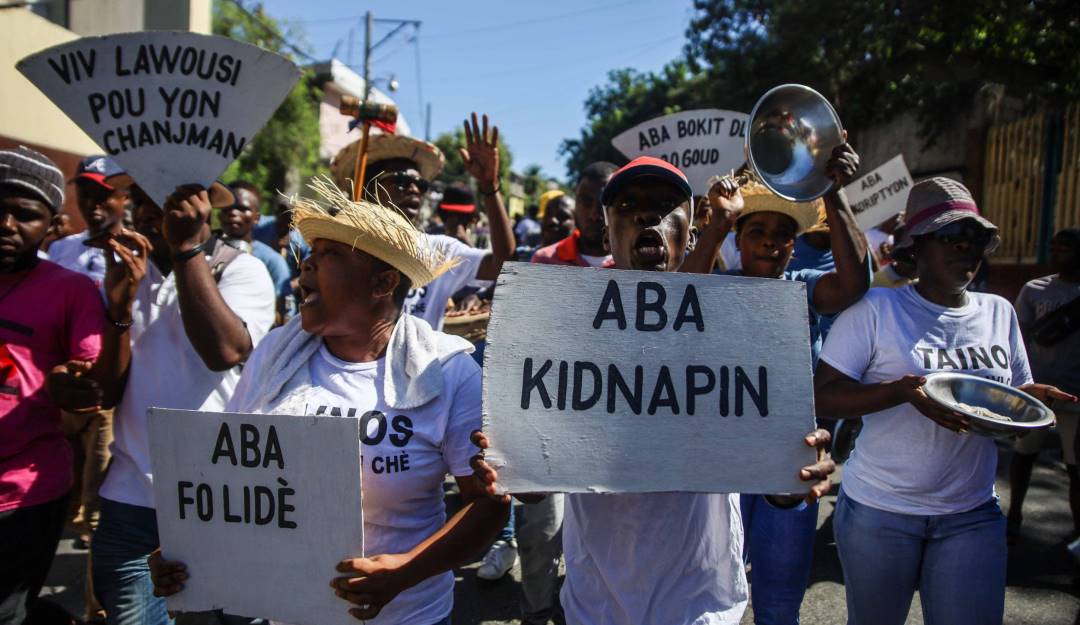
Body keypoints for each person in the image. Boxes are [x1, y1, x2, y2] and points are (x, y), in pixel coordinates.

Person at [473, 156, 836, 625]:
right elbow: (537, 487)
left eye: (666, 207)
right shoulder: (562, 326)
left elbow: (773, 478)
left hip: (701, 602)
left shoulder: (737, 324)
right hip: (596, 601)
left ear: (691, 235)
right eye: (629, 207)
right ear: (608, 235)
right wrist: (510, 463)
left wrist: (792, 473)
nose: (648, 216)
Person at [148, 177, 510, 624]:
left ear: (382, 282)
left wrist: (405, 571)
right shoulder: (274, 356)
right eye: (310, 254)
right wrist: (188, 547)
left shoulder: (448, 372)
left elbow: (487, 504)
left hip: (407, 615)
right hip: (288, 611)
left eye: (330, 255)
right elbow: (234, 481)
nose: (306, 265)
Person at [813, 177, 1076, 625]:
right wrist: (898, 392)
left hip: (971, 513)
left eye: (974, 236)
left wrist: (1033, 400)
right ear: (916, 246)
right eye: (950, 235)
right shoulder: (876, 309)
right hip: (880, 512)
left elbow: (1008, 395)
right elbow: (824, 396)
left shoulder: (998, 312)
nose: (965, 247)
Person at [48, 175, 276, 625]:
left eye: (168, 201)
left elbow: (224, 352)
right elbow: (109, 392)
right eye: (142, 200)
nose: (154, 212)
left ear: (202, 206)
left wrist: (186, 250)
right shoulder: (131, 270)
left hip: (218, 499)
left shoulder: (241, 269)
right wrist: (117, 311)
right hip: (131, 498)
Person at [698, 144, 867, 625]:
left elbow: (854, 284)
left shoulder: (805, 289)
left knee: (777, 605)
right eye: (757, 232)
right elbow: (675, 299)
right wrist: (717, 223)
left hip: (790, 464)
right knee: (709, 600)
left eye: (783, 235)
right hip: (719, 467)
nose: (771, 243)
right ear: (738, 240)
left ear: (795, 245)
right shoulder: (712, 290)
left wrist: (834, 191)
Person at [0, 146, 105, 625]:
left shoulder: (71, 290)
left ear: (51, 224)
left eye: (24, 215)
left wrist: (75, 383)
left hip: (24, 491)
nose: (6, 225)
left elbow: (92, 373)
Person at [330, 115, 514, 331]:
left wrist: (489, 186)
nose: (414, 189)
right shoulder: (342, 248)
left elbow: (504, 265)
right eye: (401, 181)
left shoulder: (438, 251)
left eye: (421, 184)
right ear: (368, 190)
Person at [1009, 227, 1080, 542]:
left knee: (1075, 468)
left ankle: (1077, 535)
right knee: (1024, 456)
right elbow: (1017, 339)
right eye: (1054, 246)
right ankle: (1013, 515)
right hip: (1036, 392)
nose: (1057, 252)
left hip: (1075, 395)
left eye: (1066, 247)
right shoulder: (1034, 290)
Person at [47, 155, 129, 290]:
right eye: (84, 194)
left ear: (125, 197)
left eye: (101, 194)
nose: (91, 203)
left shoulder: (137, 255)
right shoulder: (59, 248)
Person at [217, 181, 292, 323]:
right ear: (219, 214)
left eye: (242, 208)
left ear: (257, 218)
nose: (233, 213)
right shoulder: (203, 252)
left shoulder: (273, 262)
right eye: (228, 208)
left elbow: (284, 313)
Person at [531, 162, 616, 268]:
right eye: (586, 202)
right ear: (575, 203)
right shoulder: (544, 260)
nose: (594, 215)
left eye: (604, 204)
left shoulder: (634, 262)